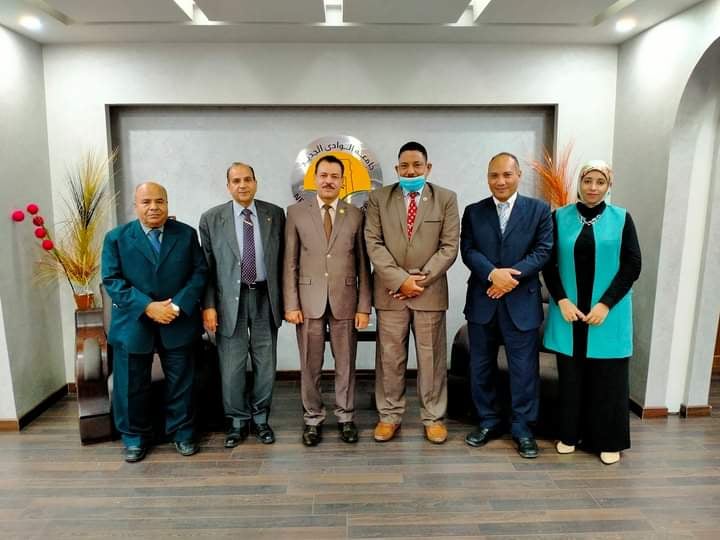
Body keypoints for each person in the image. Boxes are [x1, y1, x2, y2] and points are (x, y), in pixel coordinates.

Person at [543, 160, 641, 465]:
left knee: (608, 380)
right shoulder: (559, 217)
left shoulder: (621, 218)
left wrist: (605, 304)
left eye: (600, 182)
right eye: (588, 181)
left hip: (607, 314)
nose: (593, 187)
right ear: (580, 183)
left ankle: (608, 441)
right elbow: (548, 264)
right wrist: (561, 300)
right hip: (569, 312)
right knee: (571, 378)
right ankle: (569, 434)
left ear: (609, 185)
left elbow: (632, 265)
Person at [102, 182, 208, 463]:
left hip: (177, 319)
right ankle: (134, 438)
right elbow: (112, 280)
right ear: (135, 206)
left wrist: (176, 306)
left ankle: (183, 433)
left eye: (159, 201)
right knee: (130, 385)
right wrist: (147, 306)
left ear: (167, 204)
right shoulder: (116, 238)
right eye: (146, 202)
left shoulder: (185, 234)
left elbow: (199, 273)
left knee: (182, 382)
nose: (153, 207)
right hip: (134, 322)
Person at [364, 141, 459, 444]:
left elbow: (449, 246)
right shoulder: (379, 198)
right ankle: (389, 416)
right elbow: (373, 243)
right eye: (404, 166)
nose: (411, 170)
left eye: (417, 165)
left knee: (431, 360)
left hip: (429, 293)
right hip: (390, 293)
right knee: (390, 359)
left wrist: (417, 281)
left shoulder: (446, 198)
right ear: (396, 168)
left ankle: (433, 417)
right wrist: (399, 280)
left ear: (427, 168)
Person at [461, 152, 552, 458]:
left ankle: (523, 428)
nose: (500, 181)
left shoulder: (539, 210)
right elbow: (468, 250)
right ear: (488, 178)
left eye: (507, 175)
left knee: (524, 369)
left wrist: (508, 278)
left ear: (518, 176)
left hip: (521, 302)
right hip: (483, 300)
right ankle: (488, 421)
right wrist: (492, 274)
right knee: (481, 366)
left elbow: (543, 251)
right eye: (494, 175)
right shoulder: (474, 212)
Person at [283, 155, 372, 446]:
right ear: (314, 179)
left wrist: (364, 306)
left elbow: (363, 265)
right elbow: (290, 262)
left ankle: (346, 417)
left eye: (335, 176)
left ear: (342, 181)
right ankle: (312, 419)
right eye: (323, 175)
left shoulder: (355, 214)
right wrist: (291, 304)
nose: (328, 181)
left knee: (346, 363)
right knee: (310, 364)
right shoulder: (296, 213)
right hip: (308, 301)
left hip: (345, 299)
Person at [198, 162, 285, 448]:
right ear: (228, 186)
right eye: (236, 181)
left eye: (248, 179)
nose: (243, 185)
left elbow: (284, 261)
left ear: (256, 182)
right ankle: (236, 422)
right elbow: (206, 268)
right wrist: (208, 306)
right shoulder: (212, 219)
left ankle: (260, 419)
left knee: (265, 363)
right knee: (232, 366)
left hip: (265, 297)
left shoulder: (275, 214)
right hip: (228, 302)